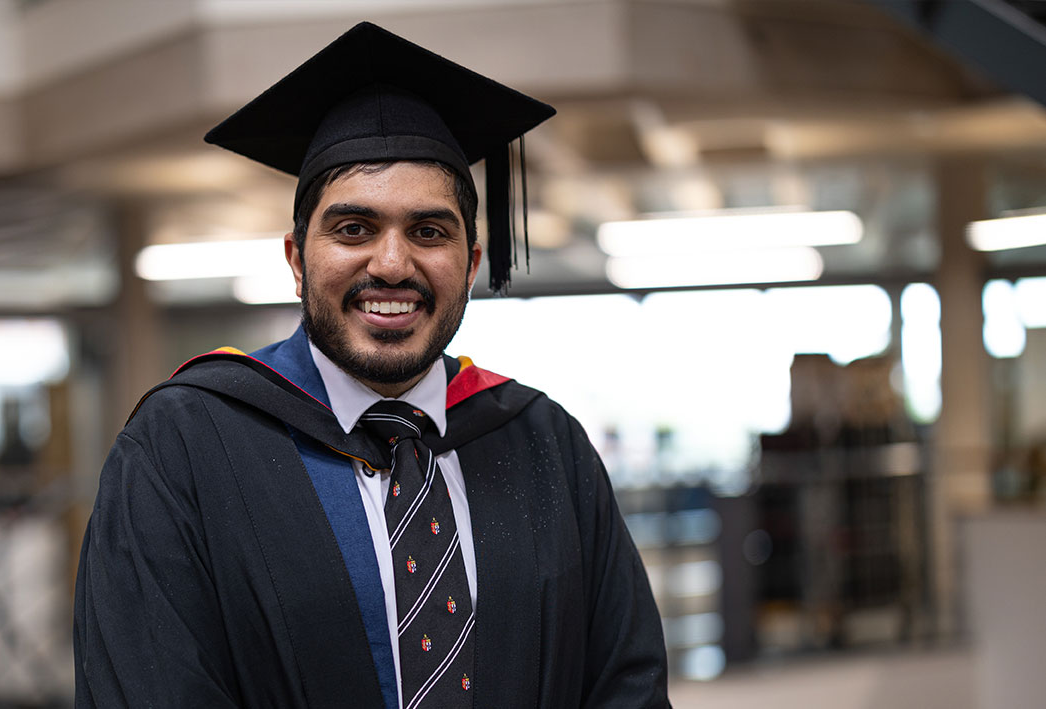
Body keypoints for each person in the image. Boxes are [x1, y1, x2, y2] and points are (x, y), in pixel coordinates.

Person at [74, 22, 670, 709]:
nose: (391, 264)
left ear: (471, 264)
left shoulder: (544, 443)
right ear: (297, 259)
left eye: (428, 231)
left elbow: (627, 680)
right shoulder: (183, 446)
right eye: (353, 228)